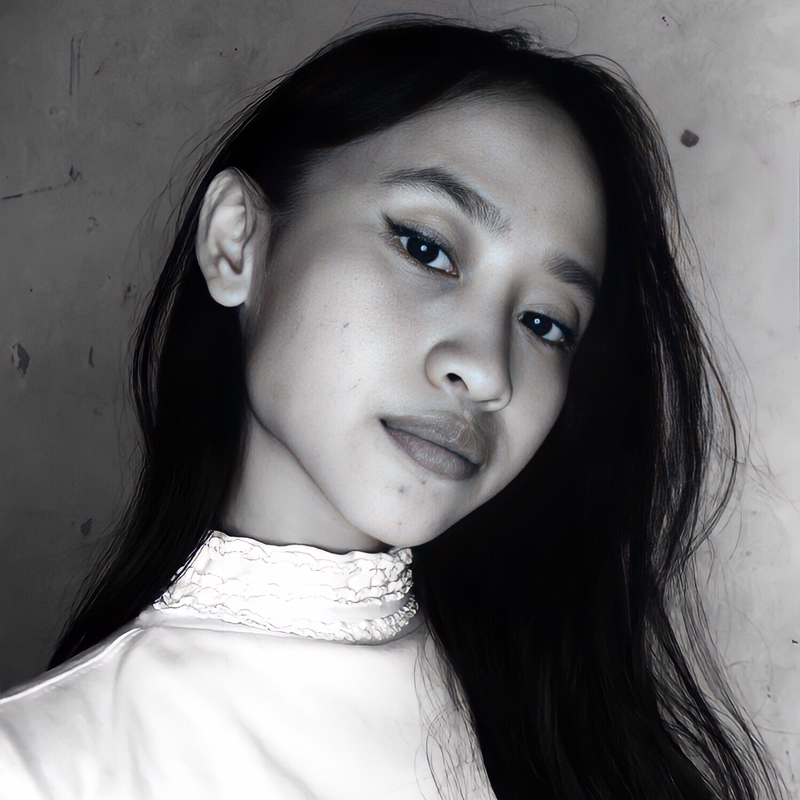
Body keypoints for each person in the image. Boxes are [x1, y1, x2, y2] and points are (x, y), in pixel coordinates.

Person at [0, 17, 785, 800]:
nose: (487, 371)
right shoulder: (41, 767)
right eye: (426, 249)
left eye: (545, 323)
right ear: (237, 242)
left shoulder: (573, 735)